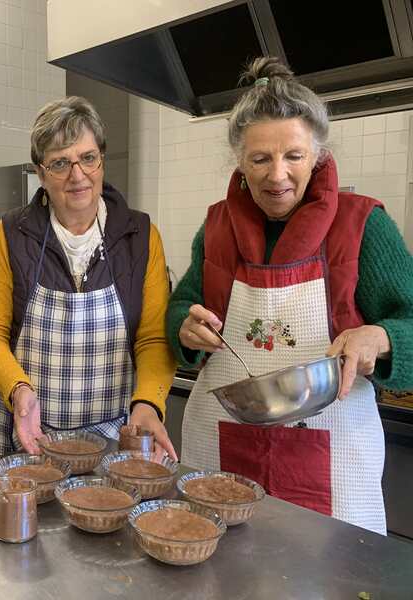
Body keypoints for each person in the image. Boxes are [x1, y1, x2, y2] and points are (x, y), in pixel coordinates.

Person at [166, 58, 413, 535]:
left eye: (294, 156)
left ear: (318, 155)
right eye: (260, 159)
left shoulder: (364, 226)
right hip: (221, 444)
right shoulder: (216, 227)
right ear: (239, 160)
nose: (277, 175)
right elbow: (183, 305)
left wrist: (378, 337)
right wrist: (185, 326)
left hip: (333, 452)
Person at [0, 96, 177, 459]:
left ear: (101, 159)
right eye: (60, 163)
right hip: (25, 431)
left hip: (114, 432)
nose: (77, 175)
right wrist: (18, 390)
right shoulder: (10, 234)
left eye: (87, 158)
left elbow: (153, 337)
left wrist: (148, 403)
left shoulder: (140, 235)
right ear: (40, 172)